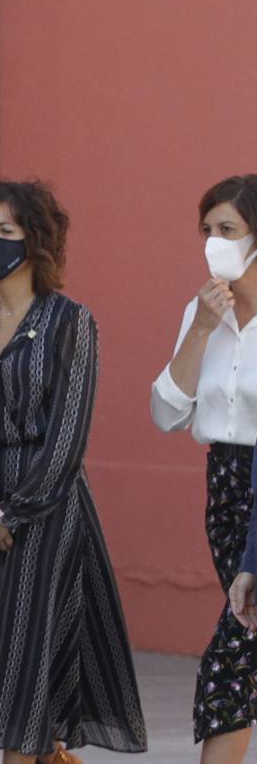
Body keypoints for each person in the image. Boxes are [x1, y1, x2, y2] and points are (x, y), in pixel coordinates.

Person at [0, 179, 147, 762]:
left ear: (38, 241)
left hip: (45, 520)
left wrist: (10, 514)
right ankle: (51, 754)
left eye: (7, 231)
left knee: (23, 677)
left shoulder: (71, 321)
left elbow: (68, 437)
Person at [161, 176, 257, 762]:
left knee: (231, 658)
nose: (213, 242)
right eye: (206, 231)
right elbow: (166, 412)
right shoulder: (201, 314)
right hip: (224, 490)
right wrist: (199, 328)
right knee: (246, 653)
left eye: (228, 230)